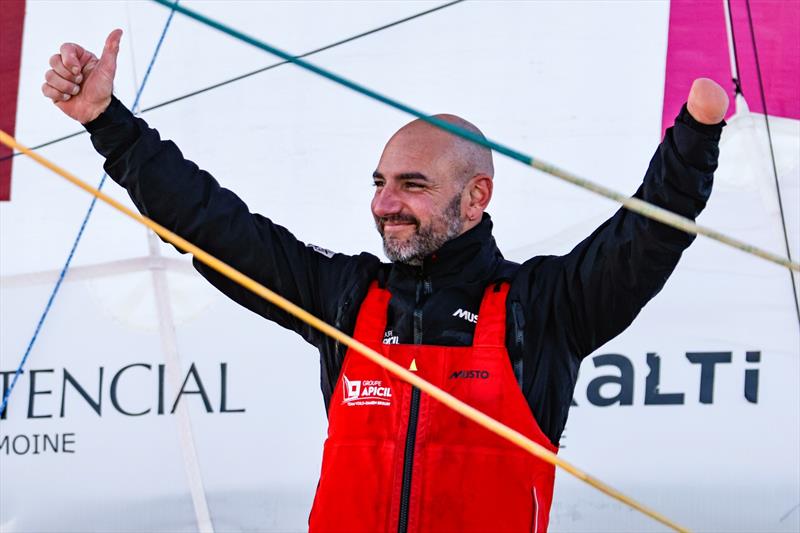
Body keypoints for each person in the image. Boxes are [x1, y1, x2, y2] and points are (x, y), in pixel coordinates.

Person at [43, 29, 728, 533]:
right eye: (379, 183)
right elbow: (212, 225)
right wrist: (109, 125)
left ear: (476, 196)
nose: (385, 203)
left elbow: (645, 237)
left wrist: (694, 140)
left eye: (412, 185)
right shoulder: (347, 295)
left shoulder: (540, 307)